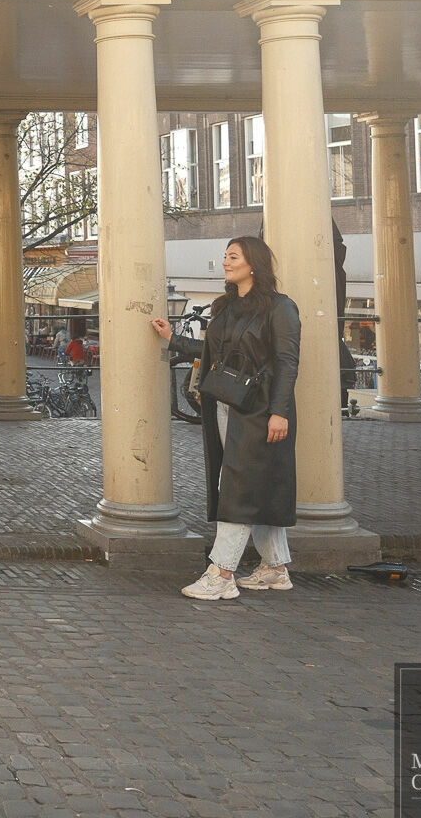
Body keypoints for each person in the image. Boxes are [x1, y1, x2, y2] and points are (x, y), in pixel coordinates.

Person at [151, 235, 300, 600]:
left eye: (233, 256)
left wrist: (279, 413)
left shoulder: (281, 308)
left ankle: (221, 574)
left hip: (261, 410)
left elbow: (287, 362)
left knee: (238, 485)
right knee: (251, 483)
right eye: (226, 256)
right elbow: (216, 354)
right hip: (225, 405)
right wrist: (175, 340)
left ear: (254, 263)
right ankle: (275, 569)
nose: (226, 262)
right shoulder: (226, 307)